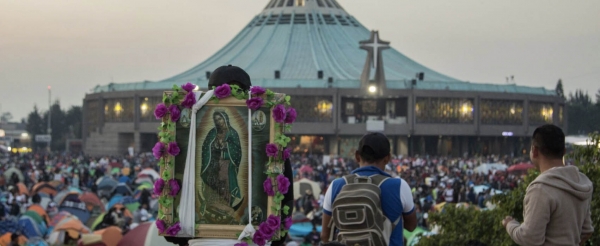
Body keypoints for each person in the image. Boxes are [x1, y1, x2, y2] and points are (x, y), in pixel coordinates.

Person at [166, 65, 294, 246]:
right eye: (216, 119)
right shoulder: (202, 134)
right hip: (244, 236)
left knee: (226, 192)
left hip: (203, 236)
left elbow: (238, 154)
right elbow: (286, 195)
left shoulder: (248, 134)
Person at [502, 124, 594, 245]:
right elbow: (587, 231)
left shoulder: (541, 189)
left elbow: (529, 238)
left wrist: (509, 224)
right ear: (564, 152)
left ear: (534, 151)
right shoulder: (581, 182)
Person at [321, 132, 417, 245]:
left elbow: (325, 236)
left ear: (357, 156)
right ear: (387, 158)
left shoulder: (335, 186)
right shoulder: (400, 186)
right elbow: (411, 226)